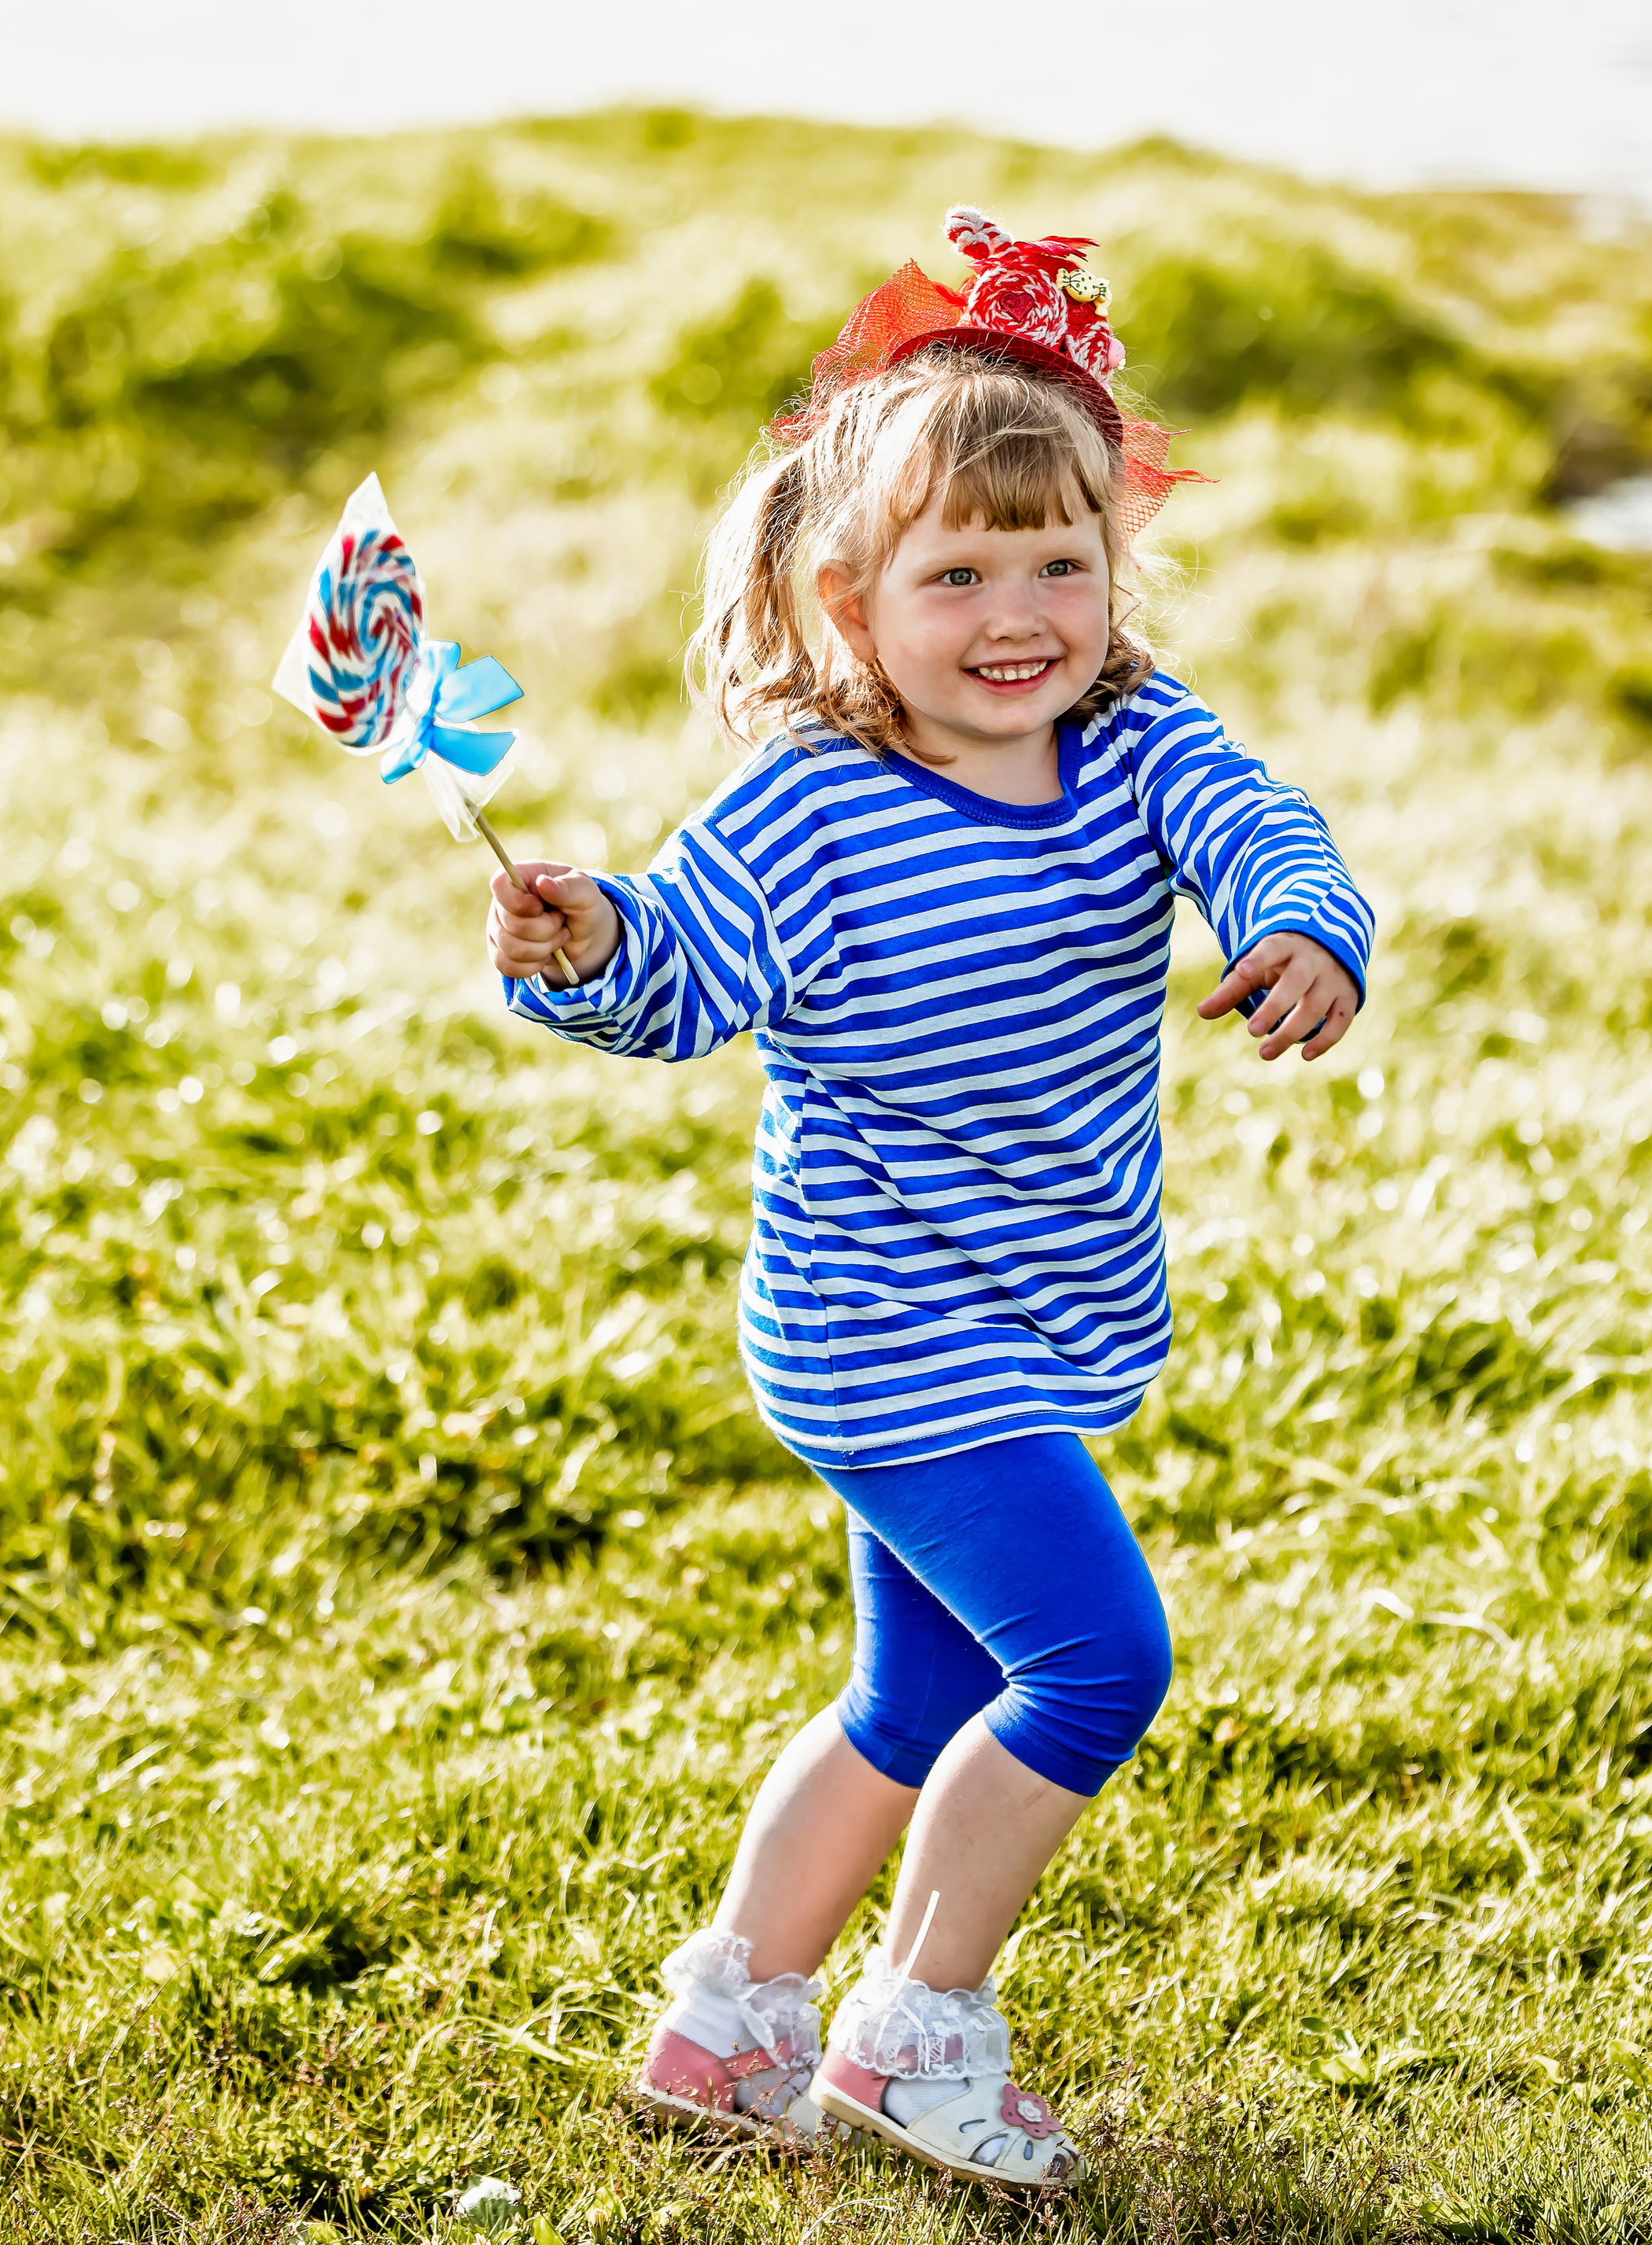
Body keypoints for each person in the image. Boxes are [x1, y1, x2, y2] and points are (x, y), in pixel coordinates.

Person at [487, 207, 1374, 2192]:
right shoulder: (813, 805)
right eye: (955, 571)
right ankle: (914, 2032)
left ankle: (728, 2020)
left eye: (1058, 560)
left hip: (1036, 1308)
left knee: (918, 1692)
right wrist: (588, 938)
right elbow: (679, 975)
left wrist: (1304, 927)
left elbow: (1262, 826)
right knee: (1096, 1661)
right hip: (882, 1330)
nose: (1015, 613)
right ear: (848, 597)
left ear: (1112, 567)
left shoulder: (1132, 742)